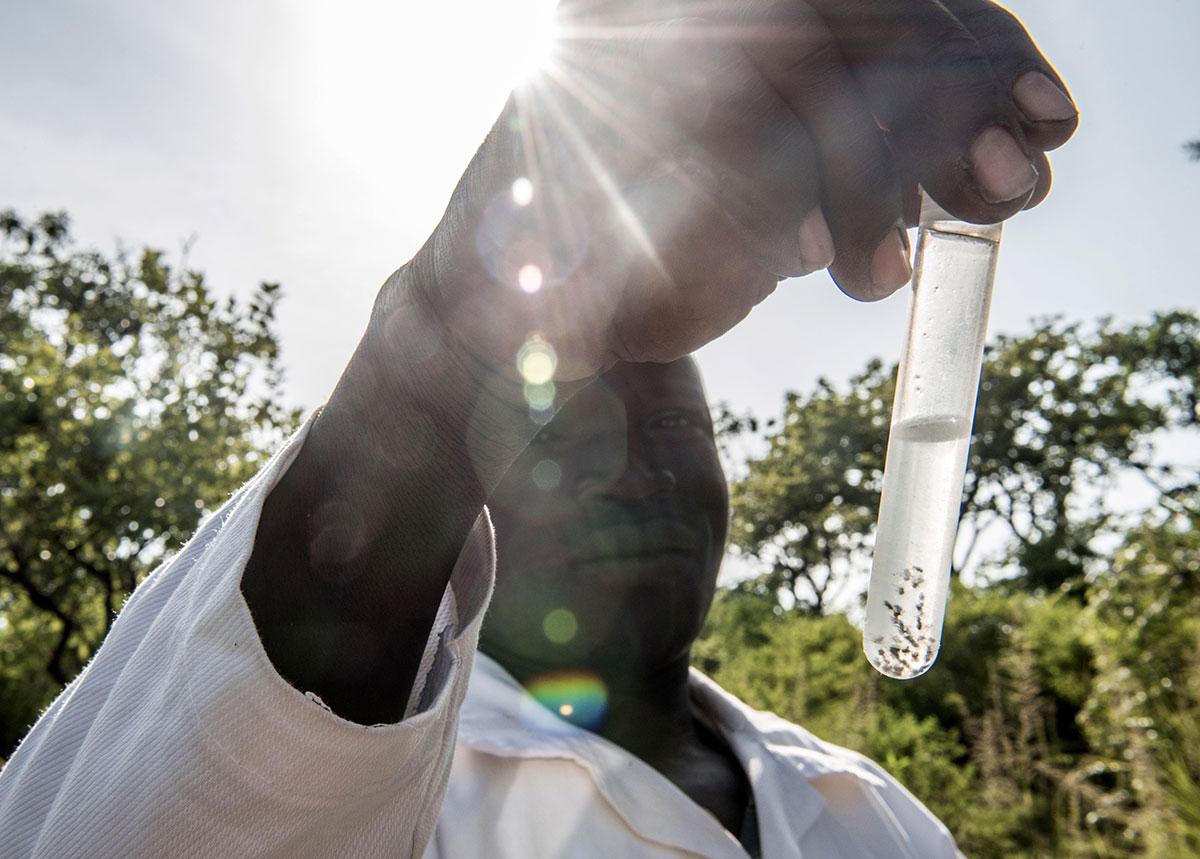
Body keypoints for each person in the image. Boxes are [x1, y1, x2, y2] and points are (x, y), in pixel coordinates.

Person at [0, 0, 1077, 855]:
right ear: (477, 508)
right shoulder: (394, 794)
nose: (640, 474)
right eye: (567, 443)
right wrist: (434, 359)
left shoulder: (873, 818)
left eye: (671, 431)